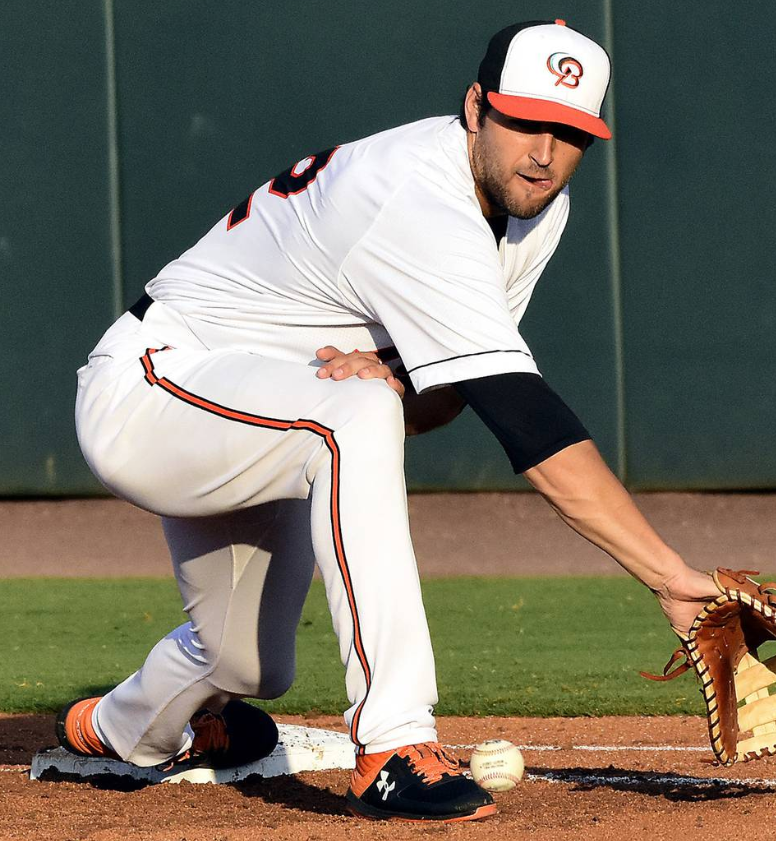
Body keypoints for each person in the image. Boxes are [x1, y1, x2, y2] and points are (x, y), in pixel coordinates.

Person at [58, 19, 720, 822]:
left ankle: (118, 725)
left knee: (247, 660)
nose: (543, 152)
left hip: (275, 408)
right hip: (153, 387)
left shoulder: (537, 210)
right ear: (476, 106)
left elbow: (444, 397)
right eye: (522, 120)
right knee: (357, 410)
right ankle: (393, 743)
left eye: (570, 131)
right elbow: (521, 417)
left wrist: (400, 381)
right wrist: (671, 577)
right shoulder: (416, 189)